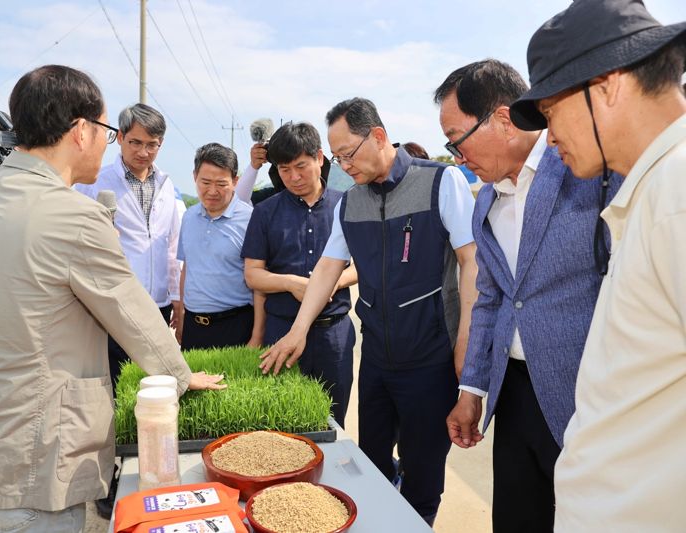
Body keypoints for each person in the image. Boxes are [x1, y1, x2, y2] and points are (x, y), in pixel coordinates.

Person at [0, 65, 225, 532]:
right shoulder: (74, 216)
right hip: (26, 467)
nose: (108, 141)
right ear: (80, 131)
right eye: (107, 130)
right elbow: (133, 314)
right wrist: (180, 377)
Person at [509, 1, 686, 530]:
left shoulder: (676, 194)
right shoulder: (654, 189)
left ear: (605, 85)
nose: (548, 135)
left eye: (549, 112)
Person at [261, 97, 477, 526]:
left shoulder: (440, 182)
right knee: (372, 462)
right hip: (377, 359)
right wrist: (299, 329)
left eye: (347, 154)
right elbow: (328, 266)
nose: (342, 166)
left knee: (423, 473)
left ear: (378, 136)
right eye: (336, 157)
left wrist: (467, 343)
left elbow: (472, 260)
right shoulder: (350, 203)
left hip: (430, 357)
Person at [435, 59, 620, 533]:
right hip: (514, 393)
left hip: (589, 397)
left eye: (457, 139)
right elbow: (492, 299)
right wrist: (472, 389)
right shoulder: (486, 200)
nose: (457, 155)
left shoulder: (588, 169)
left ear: (502, 118)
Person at [241, 122, 357, 426]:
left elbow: (362, 264)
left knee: (334, 420)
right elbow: (253, 275)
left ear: (319, 157)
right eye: (284, 169)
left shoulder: (347, 205)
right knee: (280, 421)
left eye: (301, 166)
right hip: (281, 330)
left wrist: (332, 282)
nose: (294, 177)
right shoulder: (265, 212)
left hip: (334, 334)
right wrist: (292, 283)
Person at [76, 103, 183, 392]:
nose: (143, 152)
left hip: (157, 305)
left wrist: (175, 296)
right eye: (135, 142)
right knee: (113, 382)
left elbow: (171, 246)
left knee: (153, 384)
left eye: (152, 145)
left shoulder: (167, 185)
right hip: (114, 303)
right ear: (120, 137)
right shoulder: (95, 181)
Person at [176, 143, 264, 350]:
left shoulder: (251, 220)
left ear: (235, 181)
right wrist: (181, 315)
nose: (212, 191)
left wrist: (258, 334)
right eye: (205, 182)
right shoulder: (189, 217)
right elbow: (188, 268)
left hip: (236, 325)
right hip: (193, 326)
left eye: (221, 184)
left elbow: (259, 282)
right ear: (194, 177)